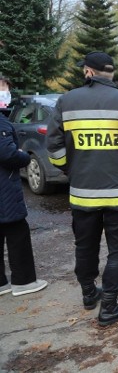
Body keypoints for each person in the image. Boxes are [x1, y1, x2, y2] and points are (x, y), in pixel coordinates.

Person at [46, 52, 118, 326]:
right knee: (117, 251)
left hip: (83, 193)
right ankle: (109, 305)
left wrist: (70, 170)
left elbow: (54, 149)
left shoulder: (66, 101)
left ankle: (88, 294)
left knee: (85, 246)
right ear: (111, 73)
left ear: (88, 72)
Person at [0, 75, 48, 297]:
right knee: (18, 231)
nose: (6, 93)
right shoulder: (1, 123)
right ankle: (23, 281)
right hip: (5, 188)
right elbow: (7, 154)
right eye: (3, 89)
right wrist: (23, 157)